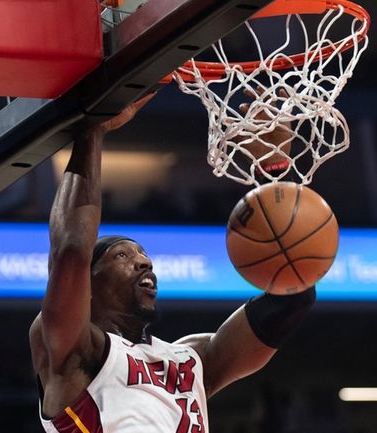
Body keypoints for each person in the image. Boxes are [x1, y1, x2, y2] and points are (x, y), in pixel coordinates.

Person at [29, 94, 316, 433]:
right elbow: (71, 250)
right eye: (123, 256)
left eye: (144, 256)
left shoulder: (192, 359)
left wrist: (273, 166)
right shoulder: (73, 352)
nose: (143, 263)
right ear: (87, 284)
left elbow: (293, 292)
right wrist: (93, 128)